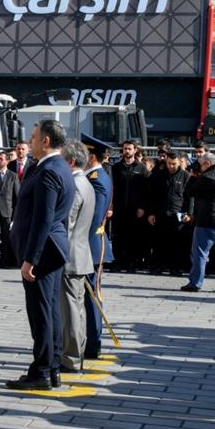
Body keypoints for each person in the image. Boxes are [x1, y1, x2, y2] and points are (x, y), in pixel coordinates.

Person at [6, 119, 75, 391]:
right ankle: (52, 366)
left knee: (41, 313)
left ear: (45, 141)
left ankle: (42, 371)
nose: (30, 142)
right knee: (49, 311)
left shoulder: (49, 170)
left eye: (34, 138)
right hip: (50, 249)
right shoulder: (57, 166)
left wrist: (31, 258)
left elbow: (44, 219)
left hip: (43, 252)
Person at [60, 141, 96, 376]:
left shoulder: (74, 185)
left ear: (71, 162)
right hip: (81, 255)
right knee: (78, 310)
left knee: (71, 311)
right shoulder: (86, 183)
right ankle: (76, 353)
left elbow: (67, 225)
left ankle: (71, 358)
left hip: (70, 257)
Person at [80, 135, 114, 360]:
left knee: (92, 296)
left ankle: (93, 343)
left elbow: (95, 216)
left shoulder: (97, 178)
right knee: (88, 295)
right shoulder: (94, 176)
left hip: (91, 245)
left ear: (91, 156)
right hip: (90, 244)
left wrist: (79, 240)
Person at [182, 152, 215, 294]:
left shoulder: (207, 177)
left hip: (208, 221)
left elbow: (190, 192)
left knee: (200, 253)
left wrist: (192, 176)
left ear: (208, 164)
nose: (199, 167)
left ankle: (195, 283)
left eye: (201, 164)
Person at [148, 152, 189, 274]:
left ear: (179, 163)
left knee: (176, 243)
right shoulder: (158, 175)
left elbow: (189, 197)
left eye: (174, 164)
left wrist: (189, 213)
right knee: (159, 242)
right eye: (169, 163)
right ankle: (158, 266)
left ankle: (175, 268)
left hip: (178, 214)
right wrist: (151, 213)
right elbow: (151, 196)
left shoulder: (185, 176)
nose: (171, 166)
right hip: (161, 213)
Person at [111, 139, 148, 272]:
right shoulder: (115, 168)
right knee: (118, 236)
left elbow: (146, 190)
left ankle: (131, 263)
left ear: (135, 150)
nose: (126, 151)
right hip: (119, 208)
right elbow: (112, 188)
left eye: (129, 149)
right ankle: (119, 261)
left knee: (133, 237)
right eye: (125, 148)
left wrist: (142, 207)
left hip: (135, 209)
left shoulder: (142, 168)